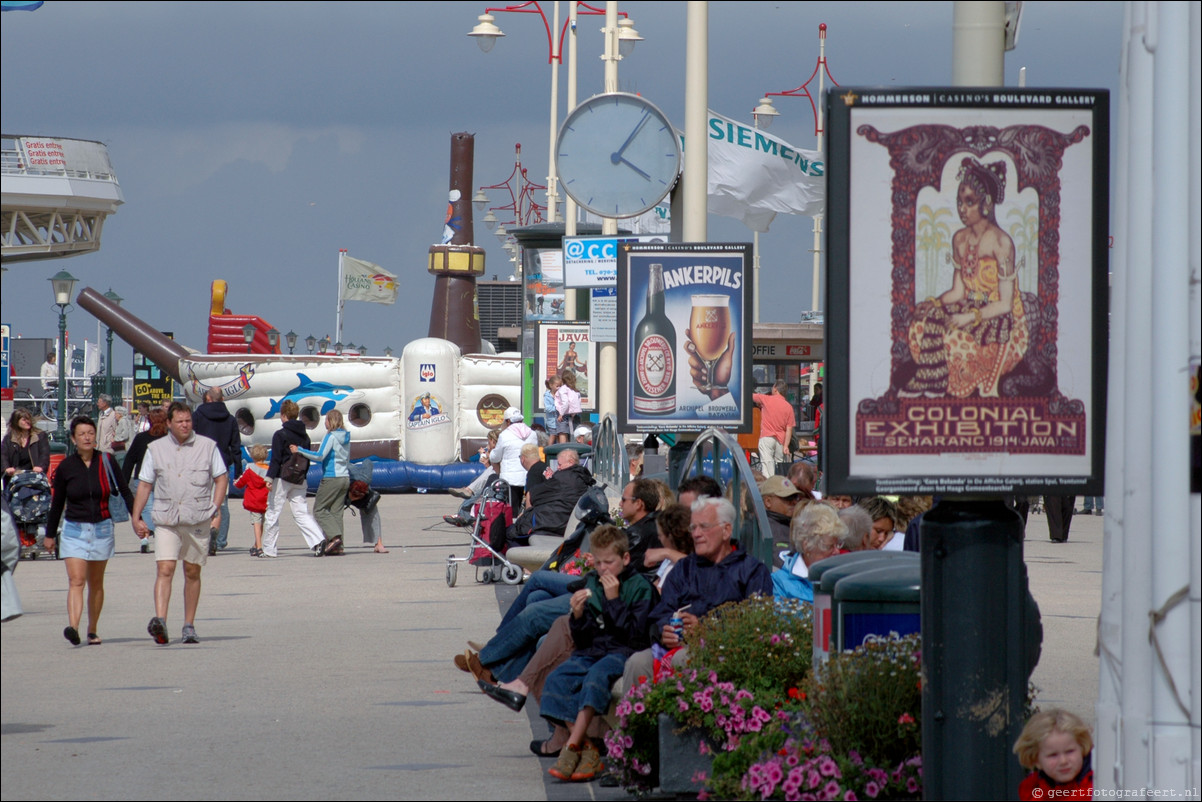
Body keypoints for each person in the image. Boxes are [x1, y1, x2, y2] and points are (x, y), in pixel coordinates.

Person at [617, 496, 773, 695]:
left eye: (704, 527)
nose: (696, 534)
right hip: (674, 647)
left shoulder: (752, 571)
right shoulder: (684, 568)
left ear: (726, 530)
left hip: (722, 650)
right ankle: (634, 725)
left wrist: (705, 629)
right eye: (693, 528)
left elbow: (757, 623)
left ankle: (678, 725)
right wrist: (664, 630)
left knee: (684, 659)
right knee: (637, 663)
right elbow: (661, 611)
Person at [901, 157, 1028, 399]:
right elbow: (958, 292)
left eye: (970, 202)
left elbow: (1004, 303)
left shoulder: (1002, 242)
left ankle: (953, 386)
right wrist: (934, 303)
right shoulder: (959, 239)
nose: (962, 209)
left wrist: (968, 317)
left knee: (954, 337)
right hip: (969, 307)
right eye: (960, 202)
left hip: (1000, 316)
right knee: (921, 324)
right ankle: (931, 381)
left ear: (987, 203)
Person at [536, 527, 654, 783]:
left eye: (609, 562)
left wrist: (613, 601)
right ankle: (588, 749)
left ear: (624, 559)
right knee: (558, 679)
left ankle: (572, 747)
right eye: (598, 562)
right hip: (595, 649)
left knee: (595, 677)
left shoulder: (639, 586)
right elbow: (584, 638)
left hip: (624, 651)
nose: (603, 569)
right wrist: (578, 617)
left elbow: (634, 635)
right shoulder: (593, 583)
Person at [131, 402, 227, 645]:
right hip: (167, 518)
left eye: (188, 421)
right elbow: (144, 484)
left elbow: (221, 477)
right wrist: (136, 516)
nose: (185, 425)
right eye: (180, 421)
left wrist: (215, 507)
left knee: (192, 571)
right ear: (170, 424)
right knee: (165, 568)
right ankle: (160, 620)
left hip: (197, 516)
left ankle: (188, 625)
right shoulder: (156, 448)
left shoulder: (208, 446)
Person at [43, 416, 135, 646]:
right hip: (74, 529)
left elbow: (124, 490)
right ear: (73, 439)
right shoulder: (66, 467)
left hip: (102, 528)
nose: (87, 437)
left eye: (90, 433)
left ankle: (92, 629)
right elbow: (58, 503)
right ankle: (73, 627)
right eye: (82, 434)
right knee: (76, 580)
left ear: (95, 437)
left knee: (96, 583)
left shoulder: (106, 460)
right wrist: (50, 534)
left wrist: (138, 518)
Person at [261, 400, 326, 558]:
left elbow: (276, 459)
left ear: (283, 416)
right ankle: (318, 540)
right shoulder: (305, 436)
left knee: (273, 512)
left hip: (282, 479)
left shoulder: (280, 434)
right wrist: (302, 475)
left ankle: (269, 549)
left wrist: (269, 478)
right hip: (299, 478)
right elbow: (307, 458)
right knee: (301, 512)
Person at [292, 409, 351, 555]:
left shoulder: (331, 436)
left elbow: (320, 456)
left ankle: (335, 537)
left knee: (319, 510)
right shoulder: (346, 437)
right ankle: (339, 546)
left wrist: (299, 450)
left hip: (332, 477)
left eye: (326, 420)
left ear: (330, 421)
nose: (324, 423)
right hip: (344, 477)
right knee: (336, 512)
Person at [192, 387, 243, 553]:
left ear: (207, 397)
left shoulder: (198, 415)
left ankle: (203, 536)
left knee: (200, 500)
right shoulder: (230, 419)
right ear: (222, 399)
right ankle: (220, 539)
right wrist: (239, 470)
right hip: (222, 463)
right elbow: (235, 446)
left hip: (201, 462)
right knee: (222, 502)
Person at [1013, 708, 1093, 800]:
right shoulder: (1032, 791)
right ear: (1036, 759)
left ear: (1082, 748)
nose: (1063, 761)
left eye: (1070, 751)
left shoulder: (1097, 785)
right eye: (1053, 755)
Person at [772, 502, 845, 602]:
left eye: (838, 545)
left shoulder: (843, 579)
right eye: (829, 547)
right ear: (807, 546)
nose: (837, 551)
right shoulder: (779, 582)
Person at [122, 407, 169, 553]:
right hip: (165, 478)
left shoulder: (141, 438)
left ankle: (145, 538)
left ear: (149, 421)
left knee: (146, 508)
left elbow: (129, 460)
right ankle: (162, 534)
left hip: (143, 478)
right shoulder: (170, 438)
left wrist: (124, 479)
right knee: (165, 508)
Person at [524, 447, 593, 539]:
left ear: (571, 462)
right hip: (562, 522)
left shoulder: (562, 478)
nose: (557, 467)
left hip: (554, 526)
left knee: (512, 533)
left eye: (560, 464)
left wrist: (526, 515)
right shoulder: (583, 478)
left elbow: (532, 494)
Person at [488, 407, 539, 511]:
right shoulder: (532, 434)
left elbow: (495, 457)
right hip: (528, 477)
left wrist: (490, 452)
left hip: (510, 479)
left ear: (508, 421)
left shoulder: (505, 435)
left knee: (512, 509)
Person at [757, 475, 805, 566]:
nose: (794, 502)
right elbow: (786, 566)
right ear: (768, 502)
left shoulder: (791, 523)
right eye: (787, 498)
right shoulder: (769, 528)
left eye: (795, 497)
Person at [753, 379, 796, 477]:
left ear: (776, 389)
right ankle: (779, 487)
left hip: (767, 437)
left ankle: (769, 488)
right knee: (780, 466)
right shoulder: (789, 407)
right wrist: (786, 446)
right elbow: (789, 429)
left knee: (767, 465)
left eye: (773, 387)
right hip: (781, 440)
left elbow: (750, 396)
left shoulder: (766, 399)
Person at [234, 444, 270, 557]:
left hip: (253, 499)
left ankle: (259, 546)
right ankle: (256, 545)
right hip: (265, 499)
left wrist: (235, 482)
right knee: (262, 522)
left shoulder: (249, 469)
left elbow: (241, 483)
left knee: (256, 523)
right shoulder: (269, 470)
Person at [3, 409, 51, 482]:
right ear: (16, 422)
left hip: (34, 476)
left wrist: (41, 467)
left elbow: (44, 454)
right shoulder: (9, 438)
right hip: (15, 477)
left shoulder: (40, 436)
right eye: (24, 420)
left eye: (28, 419)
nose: (27, 422)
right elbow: (3, 455)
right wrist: (6, 468)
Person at [555, 370, 583, 444]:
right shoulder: (575, 390)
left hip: (564, 414)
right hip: (574, 413)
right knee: (574, 432)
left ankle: (563, 449)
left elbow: (565, 402)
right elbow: (578, 402)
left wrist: (561, 414)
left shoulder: (563, 389)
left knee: (562, 432)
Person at [543, 375, 563, 442]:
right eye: (557, 386)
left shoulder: (561, 394)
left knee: (559, 436)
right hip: (552, 421)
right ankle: (548, 450)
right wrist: (558, 407)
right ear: (551, 385)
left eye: (560, 386)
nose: (558, 388)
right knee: (553, 435)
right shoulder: (547, 396)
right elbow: (548, 408)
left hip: (560, 420)